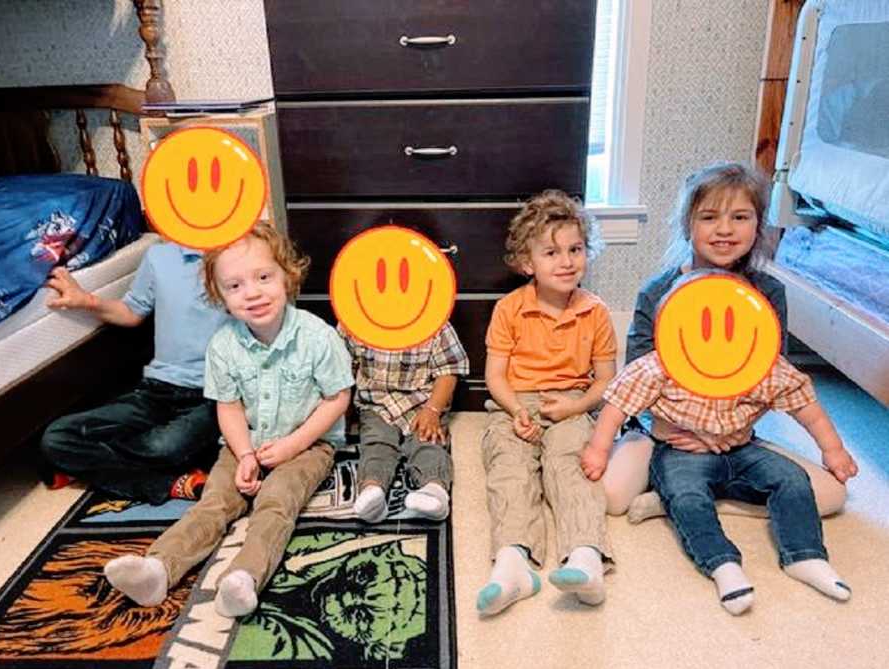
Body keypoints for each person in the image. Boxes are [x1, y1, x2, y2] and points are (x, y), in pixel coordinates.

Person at [104, 223, 353, 618]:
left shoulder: (317, 336)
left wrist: (291, 446)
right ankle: (158, 568)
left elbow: (337, 398)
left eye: (263, 277)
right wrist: (243, 453)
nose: (251, 293)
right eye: (234, 286)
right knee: (214, 502)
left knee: (275, 502)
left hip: (307, 444)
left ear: (288, 276)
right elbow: (229, 406)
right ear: (218, 296)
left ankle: (245, 578)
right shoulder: (222, 345)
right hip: (246, 440)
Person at [582, 268, 858, 615]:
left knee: (793, 480)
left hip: (742, 448)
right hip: (679, 451)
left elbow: (807, 408)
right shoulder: (659, 367)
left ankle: (804, 556)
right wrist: (598, 449)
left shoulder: (763, 366)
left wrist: (833, 450)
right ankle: (721, 563)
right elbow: (618, 405)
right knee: (686, 496)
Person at [600, 161, 848, 521]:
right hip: (663, 432)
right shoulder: (657, 291)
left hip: (733, 431)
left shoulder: (767, 293)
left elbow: (772, 378)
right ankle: (683, 487)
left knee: (830, 496)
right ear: (688, 226)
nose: (725, 230)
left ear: (757, 227)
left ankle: (710, 500)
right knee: (612, 496)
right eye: (710, 217)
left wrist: (736, 430)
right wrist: (679, 430)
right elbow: (634, 378)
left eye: (740, 217)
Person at [477, 190, 616, 616]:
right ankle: (513, 562)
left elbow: (606, 381)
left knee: (570, 465)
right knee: (510, 467)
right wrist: (517, 411)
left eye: (575, 249)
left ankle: (586, 557)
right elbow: (494, 377)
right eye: (552, 252)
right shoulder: (509, 309)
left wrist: (575, 409)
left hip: (572, 400)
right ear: (527, 262)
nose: (566, 261)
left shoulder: (595, 312)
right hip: (514, 402)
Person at [39, 241, 228, 503]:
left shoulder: (242, 255)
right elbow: (132, 311)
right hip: (157, 390)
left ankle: (87, 463)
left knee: (165, 447)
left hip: (213, 394)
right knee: (57, 437)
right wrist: (86, 300)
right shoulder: (160, 254)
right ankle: (166, 482)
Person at [339, 317, 469, 523]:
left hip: (423, 402)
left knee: (427, 442)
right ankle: (372, 490)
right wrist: (343, 413)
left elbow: (449, 371)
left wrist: (433, 409)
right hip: (376, 405)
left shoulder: (435, 322)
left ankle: (434, 489)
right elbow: (344, 369)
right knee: (376, 444)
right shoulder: (353, 321)